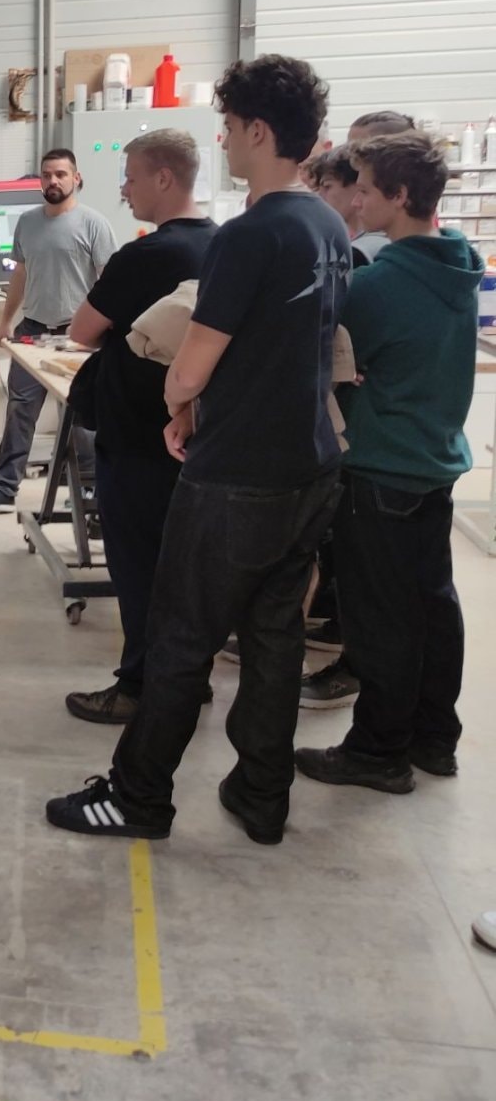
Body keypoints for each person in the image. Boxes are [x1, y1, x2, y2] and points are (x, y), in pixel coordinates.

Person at [45, 54, 350, 845]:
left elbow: (189, 363)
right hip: (309, 466)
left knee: (179, 636)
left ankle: (137, 796)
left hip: (237, 475)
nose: (223, 141)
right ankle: (260, 793)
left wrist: (179, 405)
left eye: (229, 127)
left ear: (258, 131)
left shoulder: (252, 234)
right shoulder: (324, 224)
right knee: (273, 635)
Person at [295, 133, 480, 794]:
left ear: (400, 196)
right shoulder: (457, 264)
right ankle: (433, 738)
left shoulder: (382, 285)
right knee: (432, 607)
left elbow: (325, 358)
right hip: (432, 462)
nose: (356, 201)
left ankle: (377, 751)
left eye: (367, 190)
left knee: (380, 621)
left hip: (380, 470)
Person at [62, 131, 218, 723]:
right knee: (187, 570)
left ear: (164, 178)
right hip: (199, 432)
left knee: (138, 568)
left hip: (138, 436)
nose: (124, 189)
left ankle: (140, 688)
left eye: (129, 176)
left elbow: (81, 331)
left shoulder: (146, 255)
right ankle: (186, 680)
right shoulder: (224, 247)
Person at [297, 108, 416, 700]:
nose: (351, 184)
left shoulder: (373, 262)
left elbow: (347, 346)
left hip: (375, 442)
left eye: (357, 175)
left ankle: (359, 669)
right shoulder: (370, 250)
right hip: (379, 442)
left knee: (375, 573)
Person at [0, 150, 116, 513]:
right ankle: (3, 488)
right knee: (20, 409)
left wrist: (107, 331)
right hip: (32, 331)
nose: (53, 181)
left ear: (76, 178)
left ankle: (90, 491)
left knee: (82, 414)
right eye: (47, 174)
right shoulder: (27, 223)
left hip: (78, 335)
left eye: (61, 174)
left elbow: (109, 282)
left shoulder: (94, 224)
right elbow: (20, 274)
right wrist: (6, 321)